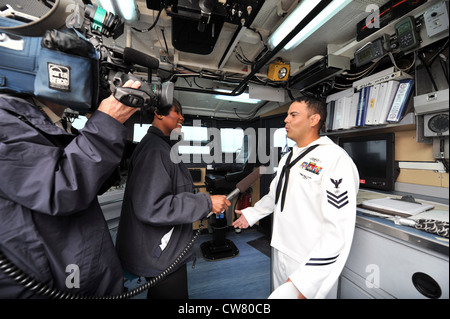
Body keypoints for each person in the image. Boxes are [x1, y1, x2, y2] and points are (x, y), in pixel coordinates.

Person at [0, 78, 141, 298]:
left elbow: (92, 181)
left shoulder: (52, 123)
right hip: (47, 281)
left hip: (84, 269)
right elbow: (62, 189)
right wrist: (105, 125)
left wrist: (105, 126)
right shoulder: (6, 119)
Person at [232, 96, 359, 299]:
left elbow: (338, 231)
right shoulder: (288, 157)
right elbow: (276, 194)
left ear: (313, 119)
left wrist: (307, 281)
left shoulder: (335, 159)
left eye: (293, 115)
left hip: (307, 258)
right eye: (287, 115)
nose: (286, 120)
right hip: (281, 248)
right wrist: (252, 214)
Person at [115, 98, 231, 299]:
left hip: (163, 250)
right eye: (177, 112)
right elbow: (153, 206)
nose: (182, 117)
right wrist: (207, 202)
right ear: (159, 113)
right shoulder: (154, 150)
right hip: (162, 253)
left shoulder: (162, 147)